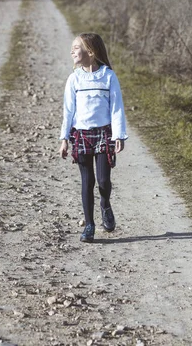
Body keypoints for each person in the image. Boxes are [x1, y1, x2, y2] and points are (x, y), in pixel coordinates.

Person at [59, 33, 128, 243]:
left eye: (76, 47)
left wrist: (119, 135)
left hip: (104, 134)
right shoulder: (74, 78)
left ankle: (105, 203)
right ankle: (89, 225)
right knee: (87, 182)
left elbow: (117, 108)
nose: (72, 51)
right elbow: (68, 111)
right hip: (81, 135)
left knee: (104, 180)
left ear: (90, 52)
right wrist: (64, 139)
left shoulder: (108, 76)